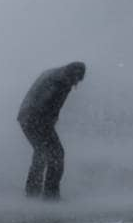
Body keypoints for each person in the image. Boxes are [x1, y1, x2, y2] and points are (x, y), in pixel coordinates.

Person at [17, 61, 86, 199]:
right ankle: (51, 194)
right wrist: (48, 121)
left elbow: (42, 99)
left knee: (41, 151)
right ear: (73, 74)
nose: (76, 83)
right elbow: (49, 102)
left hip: (25, 117)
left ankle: (32, 191)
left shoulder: (52, 74)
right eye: (76, 78)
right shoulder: (62, 81)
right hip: (36, 118)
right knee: (57, 154)